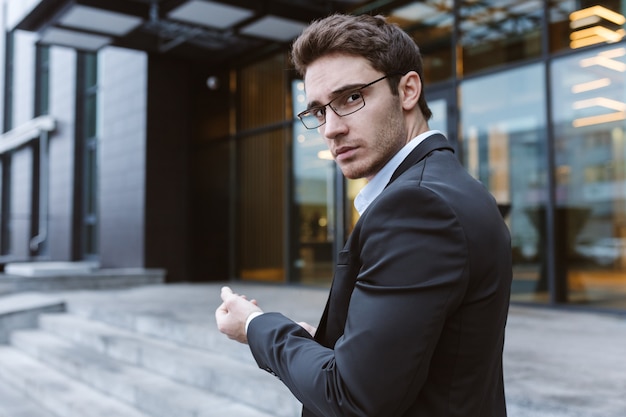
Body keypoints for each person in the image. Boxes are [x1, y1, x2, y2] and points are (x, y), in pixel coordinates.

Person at [216, 13, 512, 417]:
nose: (330, 129)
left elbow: (352, 397)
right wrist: (311, 344)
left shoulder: (418, 207)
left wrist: (256, 327)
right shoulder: (449, 186)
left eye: (351, 98)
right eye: (319, 111)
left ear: (407, 90)